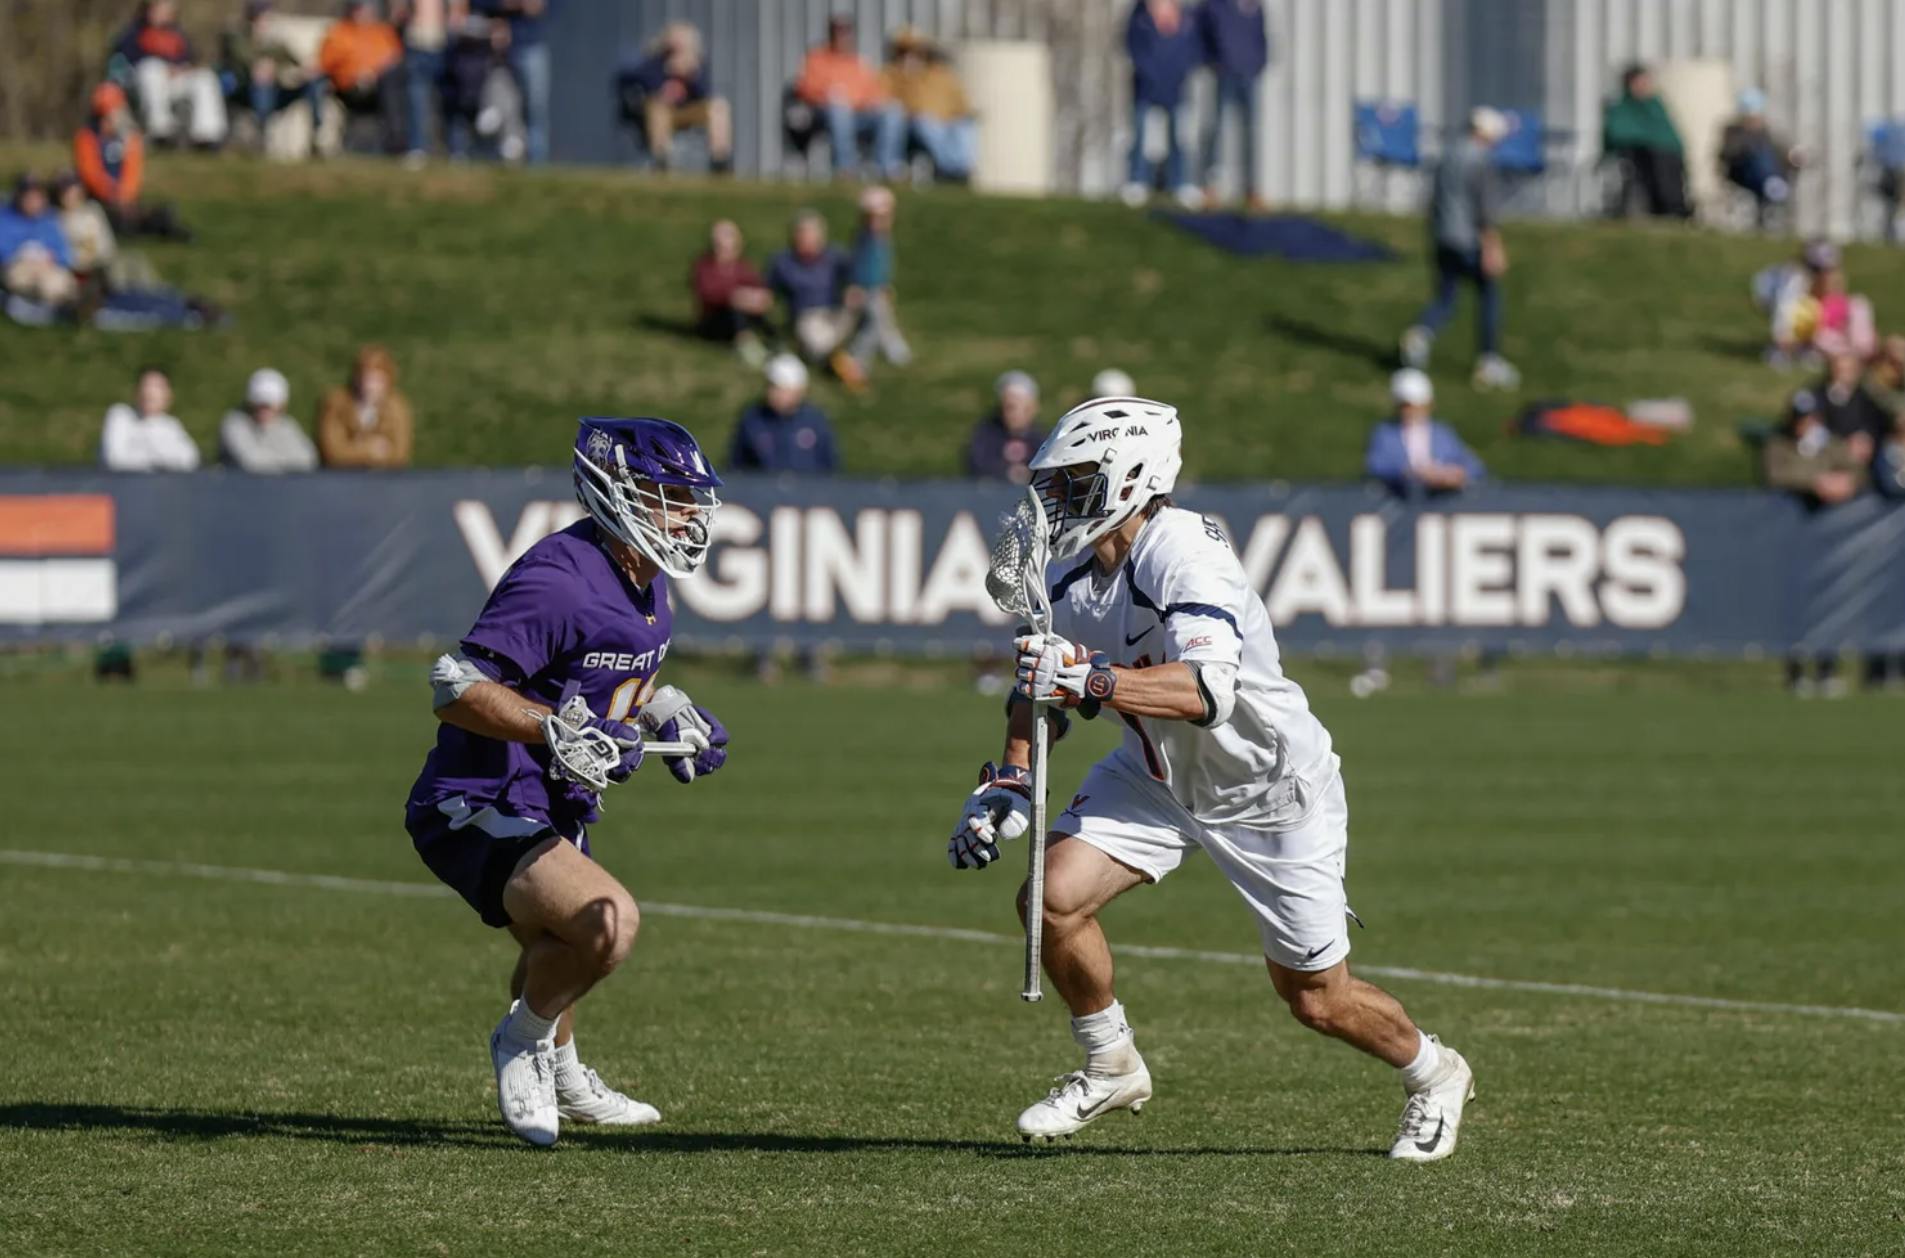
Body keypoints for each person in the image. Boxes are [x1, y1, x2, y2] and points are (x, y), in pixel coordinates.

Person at [948, 396, 1474, 1159]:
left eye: (1073, 483)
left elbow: (1203, 692)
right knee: (1049, 900)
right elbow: (1038, 689)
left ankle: (1435, 1074)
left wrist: (1091, 681)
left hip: (1267, 789)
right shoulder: (1070, 582)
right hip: (1156, 774)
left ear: (1131, 478)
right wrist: (1011, 778)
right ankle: (1109, 1063)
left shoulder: (1185, 552)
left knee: (1316, 999)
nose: (1052, 502)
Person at [406, 416, 729, 1146]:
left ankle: (564, 1068)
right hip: (480, 796)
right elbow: (454, 685)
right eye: (670, 497)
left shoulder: (644, 577)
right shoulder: (558, 578)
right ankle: (523, 1042)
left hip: (550, 799)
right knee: (604, 926)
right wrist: (552, 732)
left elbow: (599, 680)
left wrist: (666, 714)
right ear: (617, 494)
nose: (689, 515)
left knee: (556, 949)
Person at [1399, 107, 1518, 391]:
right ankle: (1489, 361)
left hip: (1442, 236)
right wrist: (1493, 247)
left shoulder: (1447, 154)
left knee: (1446, 298)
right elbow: (1484, 210)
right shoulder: (1481, 160)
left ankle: (1421, 333)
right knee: (1489, 294)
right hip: (1469, 239)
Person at [73, 84, 191, 242]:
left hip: (125, 201)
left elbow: (132, 173)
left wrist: (124, 197)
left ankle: (158, 223)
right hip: (98, 201)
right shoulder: (87, 138)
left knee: (142, 215)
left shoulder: (130, 138)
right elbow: (91, 174)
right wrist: (111, 194)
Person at [794, 16, 902, 181]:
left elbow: (872, 92)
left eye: (846, 32)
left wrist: (876, 102)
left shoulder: (858, 62)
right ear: (831, 34)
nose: (843, 36)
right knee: (840, 111)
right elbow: (805, 89)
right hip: (825, 114)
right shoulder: (817, 58)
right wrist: (828, 94)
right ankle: (846, 169)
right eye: (839, 32)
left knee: (893, 111)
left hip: (859, 114)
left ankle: (887, 167)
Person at [114, 0, 229, 149]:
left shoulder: (177, 34)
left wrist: (183, 69)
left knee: (205, 77)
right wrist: (164, 68)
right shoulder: (134, 32)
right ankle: (161, 131)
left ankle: (207, 136)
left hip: (174, 80)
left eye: (166, 9)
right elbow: (124, 61)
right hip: (144, 81)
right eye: (157, 8)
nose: (162, 13)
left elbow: (190, 59)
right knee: (151, 69)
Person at [1122, 0, 1203, 208]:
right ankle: (1137, 180)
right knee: (1140, 136)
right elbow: (1133, 49)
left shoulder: (1187, 21)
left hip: (1176, 88)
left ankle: (1180, 182)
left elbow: (1193, 53)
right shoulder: (1139, 19)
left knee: (1179, 138)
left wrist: (1178, 75)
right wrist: (1151, 75)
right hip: (1146, 88)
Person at [626, 22, 732, 173]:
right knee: (658, 107)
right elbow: (640, 80)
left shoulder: (696, 64)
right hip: (665, 111)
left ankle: (720, 160)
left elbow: (705, 93)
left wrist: (691, 76)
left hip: (689, 110)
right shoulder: (655, 61)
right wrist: (666, 74)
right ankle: (661, 159)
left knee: (719, 106)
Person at [1363, 369, 1485, 497]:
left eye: (1418, 406)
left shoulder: (1443, 433)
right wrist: (1412, 473)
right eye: (1406, 406)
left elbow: (1474, 465)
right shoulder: (1385, 432)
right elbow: (1375, 465)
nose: (1412, 411)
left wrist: (1456, 473)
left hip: (1441, 505)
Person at [1196, 0, 1270, 209]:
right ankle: (1209, 187)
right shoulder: (1213, 6)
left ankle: (1252, 189)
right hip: (1224, 73)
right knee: (1216, 129)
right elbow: (1201, 37)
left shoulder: (1253, 6)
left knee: (1250, 133)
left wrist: (1258, 62)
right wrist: (1213, 62)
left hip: (1248, 74)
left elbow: (1261, 38)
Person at [219, 0, 321, 151]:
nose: (267, 20)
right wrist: (263, 68)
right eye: (263, 15)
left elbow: (296, 61)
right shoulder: (235, 36)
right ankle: (262, 140)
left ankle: (315, 137)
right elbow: (244, 59)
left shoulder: (275, 41)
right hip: (245, 90)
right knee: (262, 82)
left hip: (277, 91)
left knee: (315, 83)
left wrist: (307, 71)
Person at [1758, 241, 1877, 368]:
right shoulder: (1792, 282)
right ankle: (1784, 351)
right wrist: (1784, 340)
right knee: (1804, 312)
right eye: (1819, 270)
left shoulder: (1835, 286)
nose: (1826, 275)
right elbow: (1783, 315)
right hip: (1793, 319)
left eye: (1830, 269)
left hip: (1816, 329)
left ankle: (1808, 348)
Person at [840, 185, 911, 389]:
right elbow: (859, 267)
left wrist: (884, 285)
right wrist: (856, 287)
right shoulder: (864, 240)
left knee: (881, 319)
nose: (878, 222)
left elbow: (883, 268)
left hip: (877, 289)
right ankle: (859, 357)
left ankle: (892, 349)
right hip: (865, 290)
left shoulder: (882, 239)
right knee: (875, 322)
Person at [883, 28, 976, 182]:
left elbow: (961, 103)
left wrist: (961, 115)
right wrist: (907, 77)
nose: (912, 56)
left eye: (917, 51)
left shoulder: (941, 74)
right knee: (926, 124)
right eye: (906, 52)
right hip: (915, 124)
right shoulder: (891, 74)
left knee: (965, 126)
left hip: (947, 122)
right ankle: (949, 171)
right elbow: (886, 104)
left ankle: (961, 169)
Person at [318, 1, 408, 154]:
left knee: (395, 89)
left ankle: (396, 144)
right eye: (359, 9)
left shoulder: (382, 32)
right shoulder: (340, 32)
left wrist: (374, 72)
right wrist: (355, 75)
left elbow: (395, 57)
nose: (364, 14)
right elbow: (326, 63)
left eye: (367, 10)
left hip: (380, 84)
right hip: (348, 87)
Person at [768, 209, 854, 367]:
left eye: (810, 233)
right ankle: (835, 358)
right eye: (801, 233)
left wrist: (855, 289)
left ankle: (838, 353)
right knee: (813, 336)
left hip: (835, 313)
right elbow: (768, 293)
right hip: (806, 318)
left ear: (821, 236)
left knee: (873, 300)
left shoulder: (835, 257)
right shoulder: (783, 262)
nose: (805, 238)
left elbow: (857, 273)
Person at [1603, 63, 1689, 218]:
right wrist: (1645, 141)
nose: (1644, 86)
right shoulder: (1621, 106)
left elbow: (1668, 135)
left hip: (1667, 156)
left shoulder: (1655, 104)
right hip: (1638, 157)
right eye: (1640, 82)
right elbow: (1618, 134)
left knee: (1665, 163)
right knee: (1653, 160)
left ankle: (1674, 208)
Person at [727, 355, 838, 474]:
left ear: (800, 390)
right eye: (772, 387)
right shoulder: (752, 420)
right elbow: (736, 467)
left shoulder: (816, 421)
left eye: (782, 389)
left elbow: (830, 469)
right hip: (763, 491)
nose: (775, 394)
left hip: (807, 491)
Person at [475, 0, 555, 163]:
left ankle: (536, 163)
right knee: (497, 102)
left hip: (531, 43)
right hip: (498, 48)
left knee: (535, 108)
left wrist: (539, 5)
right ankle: (501, 153)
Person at [317, 344, 415, 468]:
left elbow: (400, 455)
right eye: (367, 378)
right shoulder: (337, 404)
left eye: (377, 380)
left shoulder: (397, 408)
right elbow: (333, 452)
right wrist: (368, 449)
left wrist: (353, 448)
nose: (370, 386)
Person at [691, 219, 771, 366]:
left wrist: (760, 297)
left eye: (730, 247)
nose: (725, 252)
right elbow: (708, 293)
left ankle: (773, 342)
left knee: (756, 312)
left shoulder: (742, 266)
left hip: (742, 313)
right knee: (737, 309)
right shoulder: (704, 266)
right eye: (720, 247)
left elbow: (757, 286)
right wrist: (735, 297)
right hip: (714, 319)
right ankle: (745, 346)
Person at [1719, 89, 1798, 228]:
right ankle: (1773, 186)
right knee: (1758, 157)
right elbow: (1726, 155)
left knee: (1765, 156)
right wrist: (1748, 141)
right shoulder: (1733, 132)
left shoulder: (1767, 133)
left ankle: (1771, 184)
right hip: (1744, 175)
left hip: (1771, 172)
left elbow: (1782, 152)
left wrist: (1793, 157)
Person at [0, 175, 79, 311]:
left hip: (48, 266)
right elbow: (4, 251)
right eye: (28, 198)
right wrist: (23, 255)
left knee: (58, 281)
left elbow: (64, 252)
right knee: (26, 280)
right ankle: (59, 303)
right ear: (19, 197)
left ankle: (71, 303)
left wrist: (51, 258)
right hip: (18, 266)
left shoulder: (49, 219)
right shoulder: (5, 218)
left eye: (37, 198)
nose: (33, 202)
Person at [101, 366, 200, 471]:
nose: (150, 392)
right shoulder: (121, 415)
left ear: (168, 395)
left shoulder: (172, 424)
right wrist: (163, 460)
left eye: (158, 387)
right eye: (146, 385)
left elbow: (190, 459)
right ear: (137, 391)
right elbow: (115, 460)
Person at [220, 368, 318, 473]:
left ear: (282, 405)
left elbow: (309, 458)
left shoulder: (287, 425)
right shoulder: (234, 423)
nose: (264, 410)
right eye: (259, 403)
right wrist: (288, 463)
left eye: (269, 405)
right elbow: (251, 462)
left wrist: (274, 461)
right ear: (250, 402)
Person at [395, 0, 454, 162]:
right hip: (417, 45)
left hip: (442, 45)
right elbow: (398, 13)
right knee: (417, 102)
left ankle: (454, 150)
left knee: (449, 100)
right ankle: (417, 148)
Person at [966, 371, 1045, 483]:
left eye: (1021, 407)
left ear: (1033, 408)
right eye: (1009, 407)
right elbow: (976, 464)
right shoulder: (986, 435)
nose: (1014, 414)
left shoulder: (1042, 439)